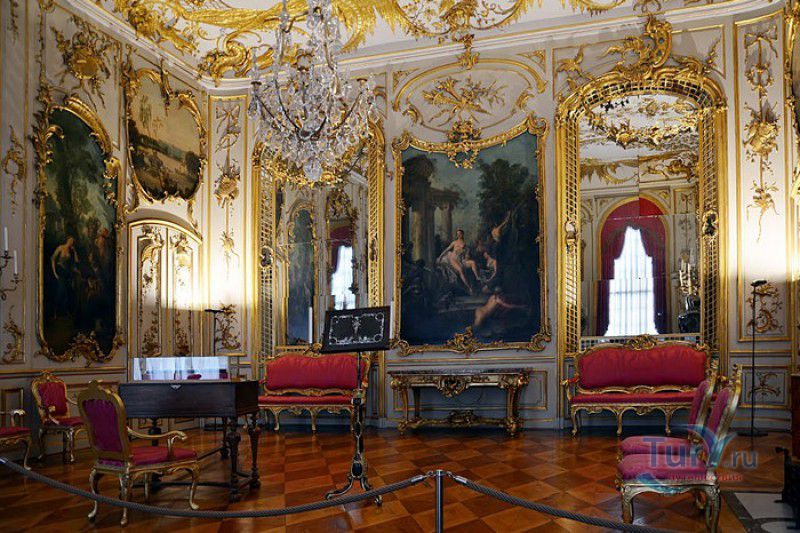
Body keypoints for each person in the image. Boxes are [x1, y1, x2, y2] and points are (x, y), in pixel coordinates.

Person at [437, 229, 480, 294]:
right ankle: (468, 287)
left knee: (473, 262)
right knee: (460, 270)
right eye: (457, 234)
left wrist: (466, 256)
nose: (459, 235)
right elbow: (446, 250)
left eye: (460, 234)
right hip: (453, 259)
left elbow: (466, 255)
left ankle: (477, 277)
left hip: (461, 260)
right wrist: (440, 257)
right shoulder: (454, 242)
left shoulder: (465, 244)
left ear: (462, 234)